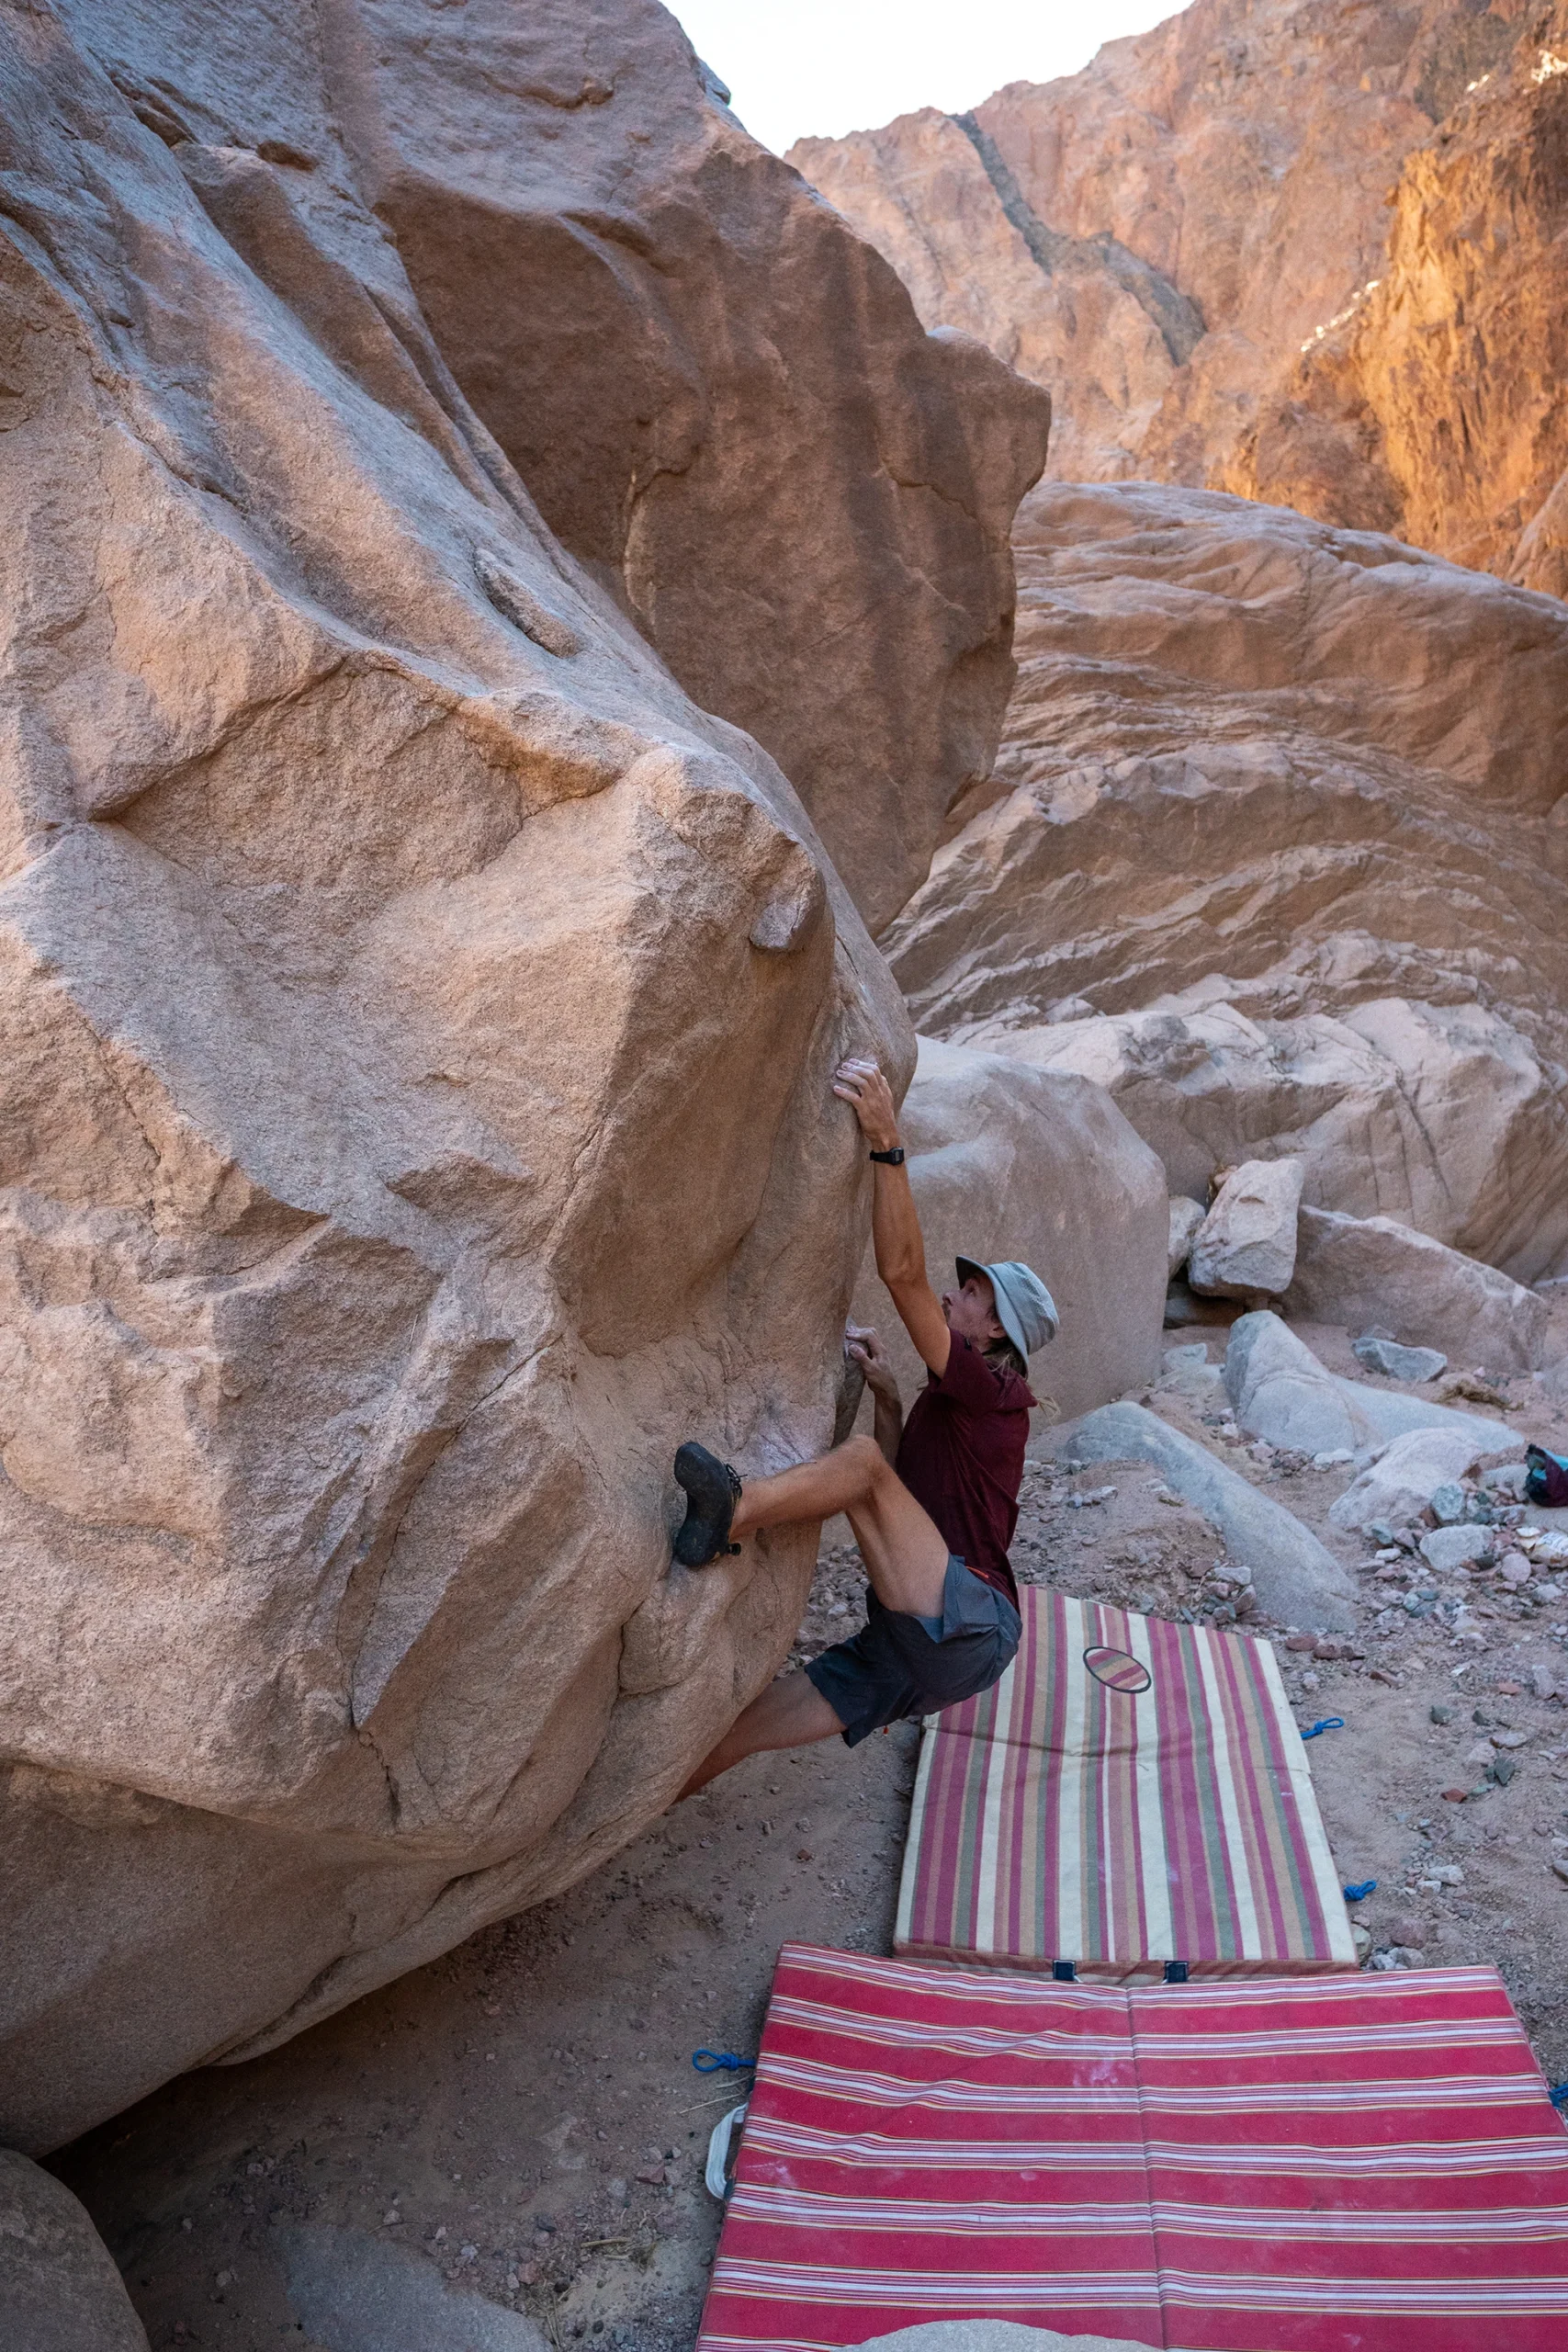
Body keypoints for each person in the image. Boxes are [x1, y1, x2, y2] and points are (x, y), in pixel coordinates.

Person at [672, 1057, 1058, 1796]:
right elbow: (894, 1498)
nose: (951, 1296)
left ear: (994, 1334)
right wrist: (886, 1399)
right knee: (730, 1737)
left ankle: (732, 1510)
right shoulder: (964, 1405)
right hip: (914, 1643)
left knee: (859, 1465)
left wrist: (886, 1143)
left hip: (968, 1619)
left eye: (970, 1295)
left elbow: (903, 1276)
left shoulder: (994, 1390)